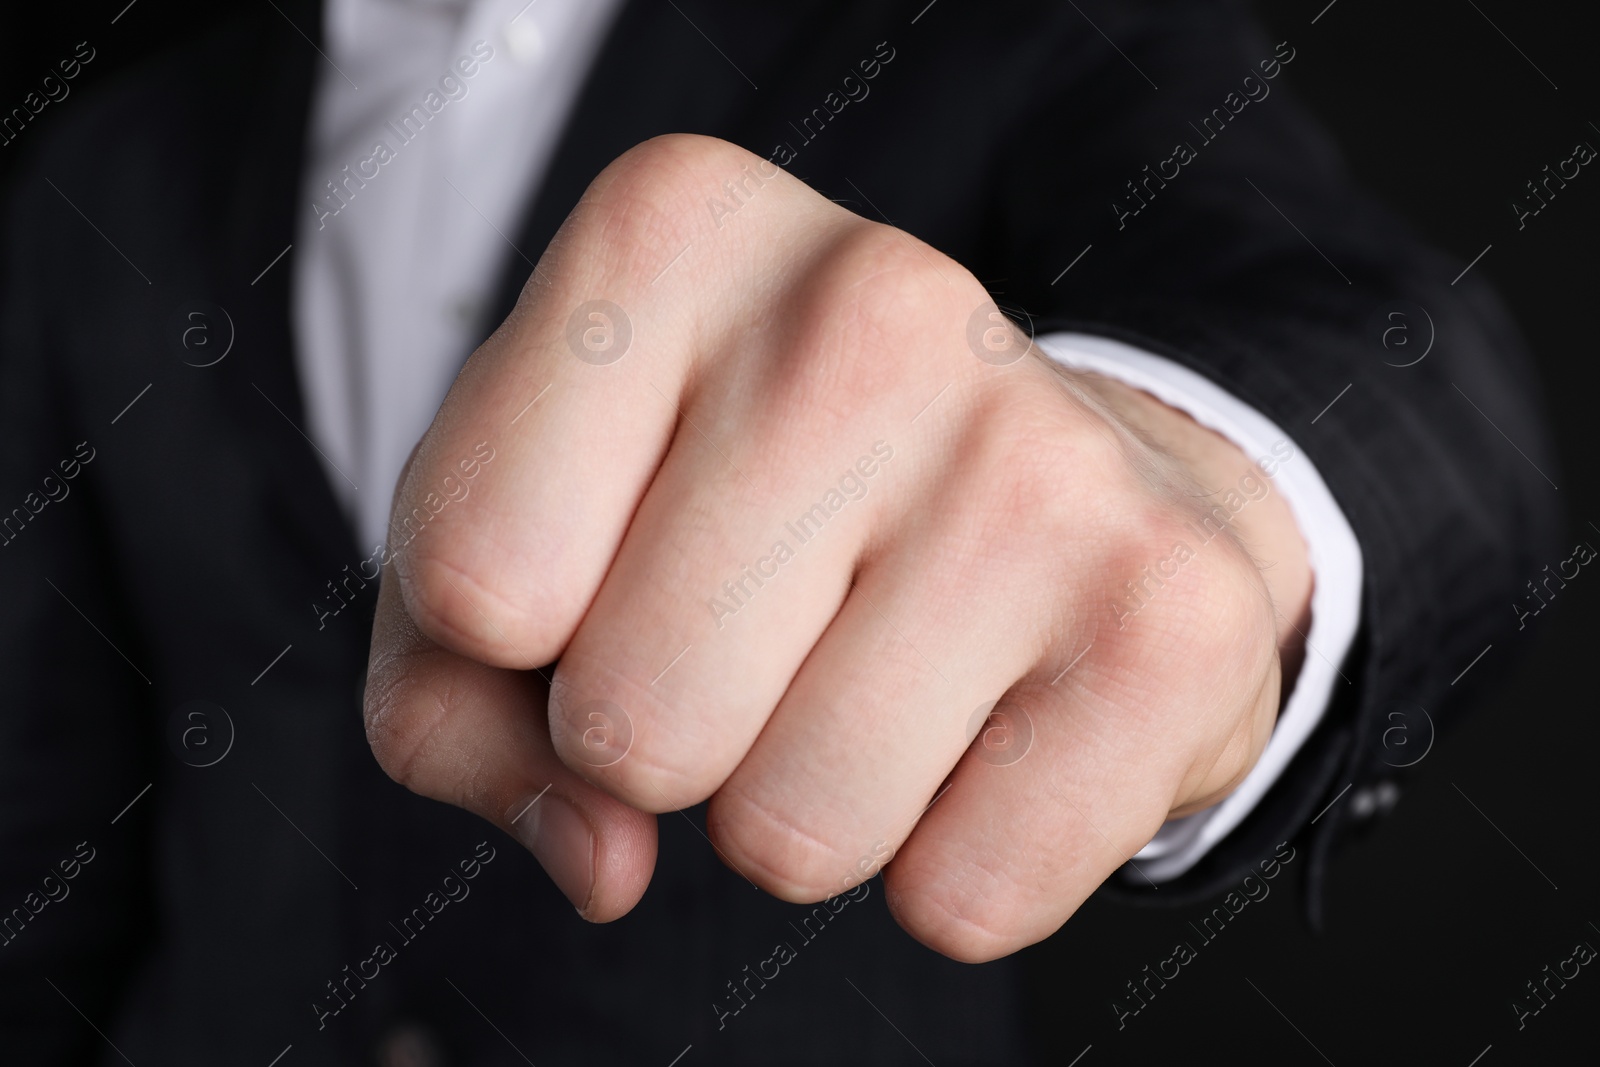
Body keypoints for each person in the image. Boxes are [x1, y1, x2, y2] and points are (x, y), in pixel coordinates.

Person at [0, 0, 1559, 1062]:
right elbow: (54, 798)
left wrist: (1191, 486)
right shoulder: (113, 158)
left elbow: (1404, 360)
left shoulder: (981, 25)